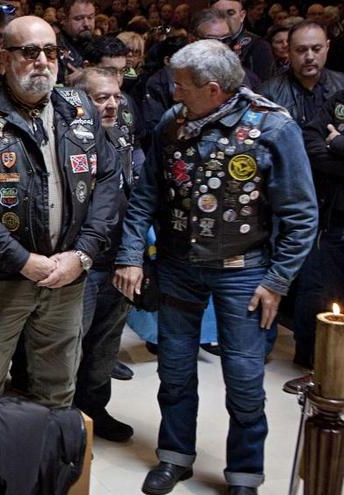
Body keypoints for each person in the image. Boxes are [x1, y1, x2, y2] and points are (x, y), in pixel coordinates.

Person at [113, 40, 317, 495]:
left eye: (181, 85)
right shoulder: (173, 123)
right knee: (175, 371)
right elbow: (146, 195)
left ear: (211, 88)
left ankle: (245, 474)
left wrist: (278, 279)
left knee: (244, 379)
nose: (174, 92)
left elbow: (302, 213)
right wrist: (129, 255)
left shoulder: (272, 127)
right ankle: (175, 456)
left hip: (245, 272)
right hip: (179, 266)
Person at [0, 16, 119, 408]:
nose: (42, 60)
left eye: (51, 51)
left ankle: (48, 467)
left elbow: (108, 183)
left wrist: (83, 254)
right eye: (29, 52)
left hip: (67, 274)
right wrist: (21, 260)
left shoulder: (79, 110)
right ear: (4, 58)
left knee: (57, 389)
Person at [70, 66, 137, 442]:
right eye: (101, 98)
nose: (112, 105)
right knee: (71, 345)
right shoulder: (67, 138)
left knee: (105, 345)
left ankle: (95, 408)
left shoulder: (123, 134)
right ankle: (67, 423)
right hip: (81, 259)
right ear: (80, 100)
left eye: (115, 96)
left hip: (118, 257)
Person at [293, 89, 344, 390]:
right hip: (334, 220)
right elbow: (311, 141)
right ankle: (320, 371)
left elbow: (326, 143)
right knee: (324, 296)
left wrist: (337, 142)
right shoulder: (339, 99)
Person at [259, 21, 344, 128]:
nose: (309, 57)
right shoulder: (268, 93)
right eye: (301, 50)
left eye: (316, 49)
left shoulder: (341, 85)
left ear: (327, 47)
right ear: (289, 52)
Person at [213, 0, 275, 82]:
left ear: (242, 16)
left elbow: (261, 86)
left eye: (230, 13)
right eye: (218, 14)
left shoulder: (259, 46)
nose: (224, 19)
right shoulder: (204, 44)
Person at [56, 0, 97, 83]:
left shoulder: (101, 44)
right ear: (64, 20)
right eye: (79, 19)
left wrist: (88, 74)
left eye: (90, 18)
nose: (86, 24)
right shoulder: (53, 46)